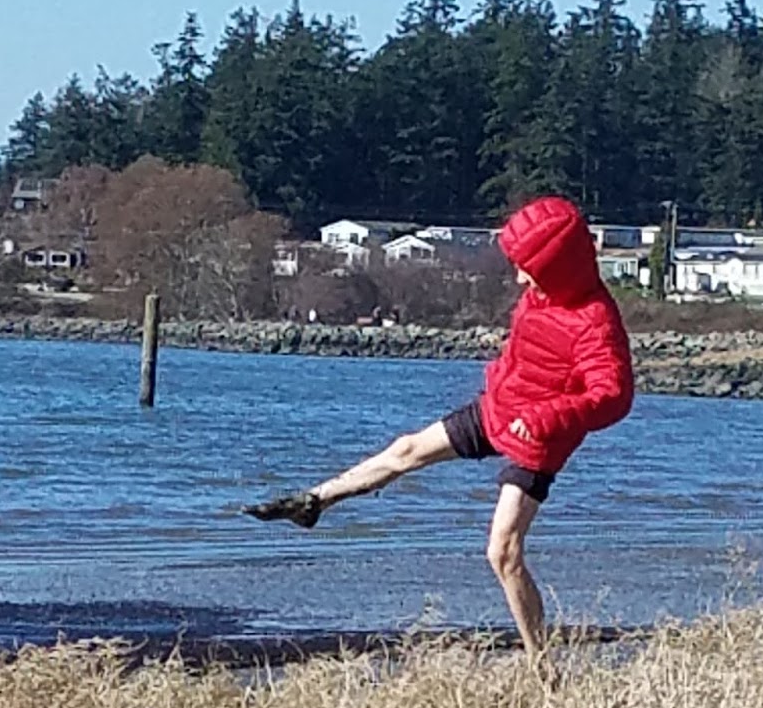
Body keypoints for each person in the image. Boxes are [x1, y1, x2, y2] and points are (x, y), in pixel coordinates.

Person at [244, 196, 634, 665]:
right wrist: (501, 376)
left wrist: (545, 418)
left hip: (540, 437)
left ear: (558, 267)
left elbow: (613, 396)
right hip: (500, 408)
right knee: (405, 449)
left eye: (528, 269)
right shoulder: (541, 293)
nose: (519, 279)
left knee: (502, 552)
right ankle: (313, 502)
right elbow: (526, 350)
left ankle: (542, 668)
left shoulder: (596, 321)